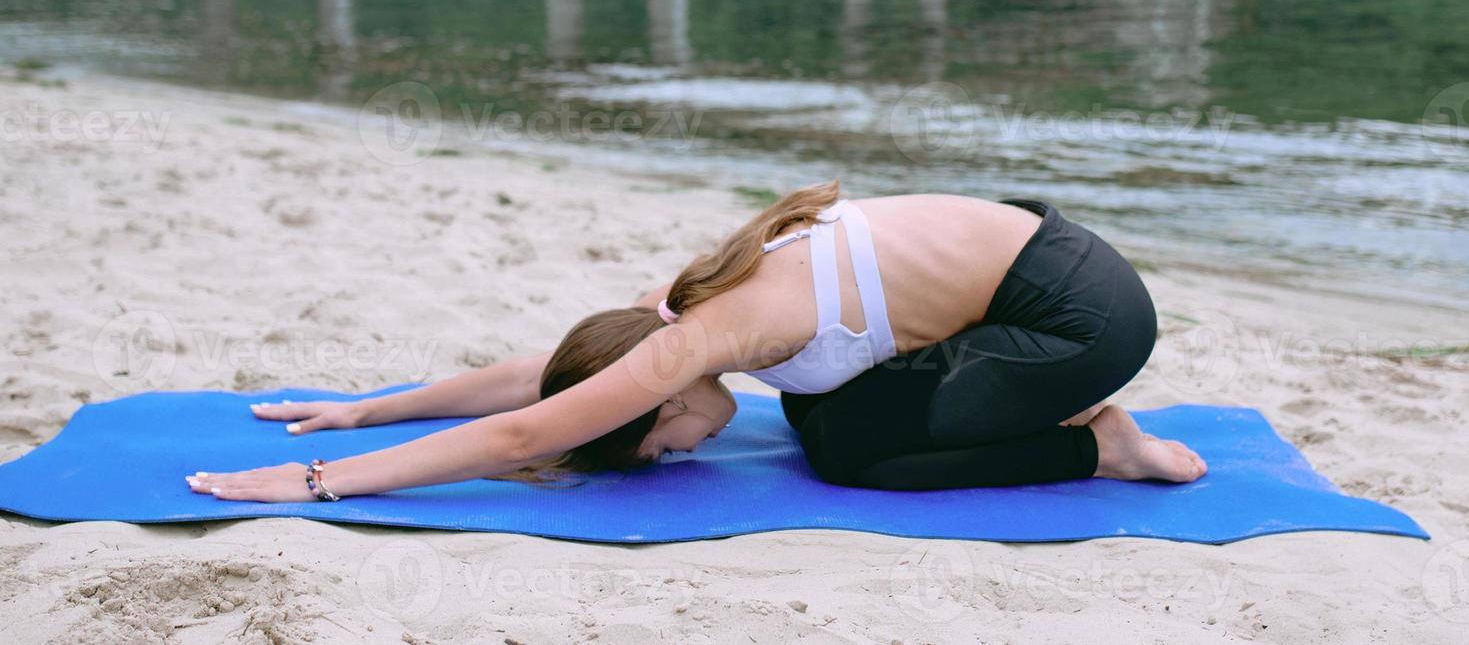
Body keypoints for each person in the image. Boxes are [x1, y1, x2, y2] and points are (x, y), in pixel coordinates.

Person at [185, 182, 1205, 503]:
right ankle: (1067, 423)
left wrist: (318, 478)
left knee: (851, 450)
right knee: (819, 408)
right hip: (1018, 276)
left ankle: (1103, 443)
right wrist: (372, 404)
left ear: (662, 399)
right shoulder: (670, 312)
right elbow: (551, 377)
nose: (688, 449)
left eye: (661, 445)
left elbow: (521, 433)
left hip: (1076, 315)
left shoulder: (708, 330)